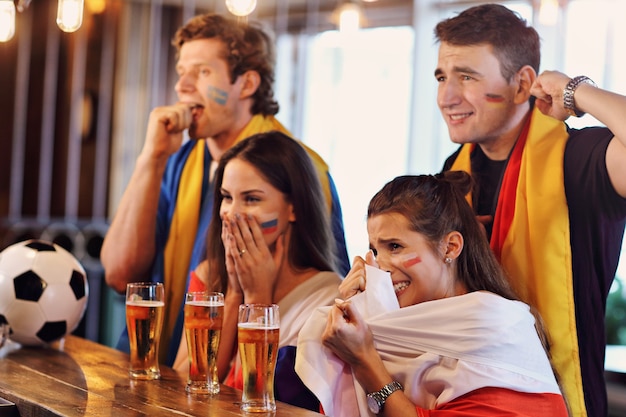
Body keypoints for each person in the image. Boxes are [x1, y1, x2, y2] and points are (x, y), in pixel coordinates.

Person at [100, 13, 350, 367]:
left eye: (202, 72)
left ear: (246, 84)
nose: (182, 86)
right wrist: (151, 157)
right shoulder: (177, 158)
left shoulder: (304, 169)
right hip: (164, 363)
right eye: (181, 71)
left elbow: (321, 292)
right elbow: (120, 273)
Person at [434, 5, 626, 417]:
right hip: (472, 398)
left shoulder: (576, 158)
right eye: (442, 77)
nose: (446, 97)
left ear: (523, 85)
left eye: (466, 76)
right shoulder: (456, 172)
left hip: (561, 399)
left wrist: (576, 91)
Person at [295, 172, 568, 417]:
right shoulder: (397, 325)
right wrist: (359, 308)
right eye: (376, 251)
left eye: (395, 247)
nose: (380, 266)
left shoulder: (493, 323)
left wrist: (365, 358)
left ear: (450, 247)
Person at [173, 131, 342, 412]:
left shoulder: (328, 297)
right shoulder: (209, 274)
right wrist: (234, 293)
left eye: (251, 199)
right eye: (226, 197)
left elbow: (251, 398)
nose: (232, 213)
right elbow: (181, 384)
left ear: (294, 208)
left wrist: (257, 298)